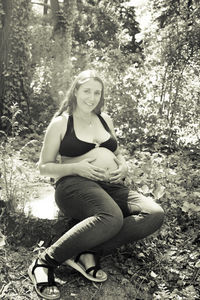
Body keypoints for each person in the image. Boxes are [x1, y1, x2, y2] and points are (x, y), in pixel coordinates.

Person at [28, 69, 164, 299]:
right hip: (73, 186)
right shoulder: (61, 123)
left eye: (97, 93)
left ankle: (87, 250)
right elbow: (43, 167)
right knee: (111, 215)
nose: (91, 97)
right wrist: (75, 167)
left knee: (154, 213)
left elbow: (118, 153)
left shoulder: (105, 119)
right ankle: (44, 262)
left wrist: (123, 166)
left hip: (109, 185)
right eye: (87, 91)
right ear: (75, 92)